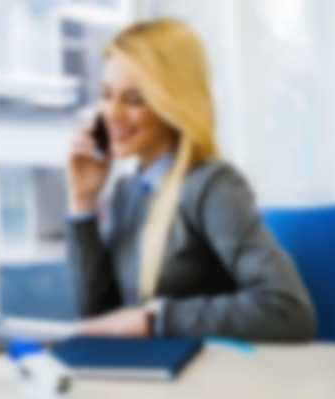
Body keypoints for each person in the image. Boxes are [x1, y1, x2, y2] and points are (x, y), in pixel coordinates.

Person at [66, 18, 316, 341]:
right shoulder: (128, 192)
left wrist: (155, 319)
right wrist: (82, 203)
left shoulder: (213, 187)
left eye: (134, 99)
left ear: (172, 103)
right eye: (106, 95)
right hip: (150, 369)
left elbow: (289, 311)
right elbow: (102, 319)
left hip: (211, 369)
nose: (111, 113)